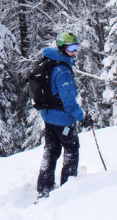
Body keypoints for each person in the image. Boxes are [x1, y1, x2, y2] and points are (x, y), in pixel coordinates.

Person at [36, 31, 92, 199]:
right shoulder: (62, 71)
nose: (75, 52)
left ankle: (44, 187)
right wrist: (81, 116)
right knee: (71, 149)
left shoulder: (50, 63)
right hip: (62, 120)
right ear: (62, 48)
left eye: (76, 47)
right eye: (71, 48)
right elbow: (68, 101)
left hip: (48, 117)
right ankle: (68, 187)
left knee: (51, 150)